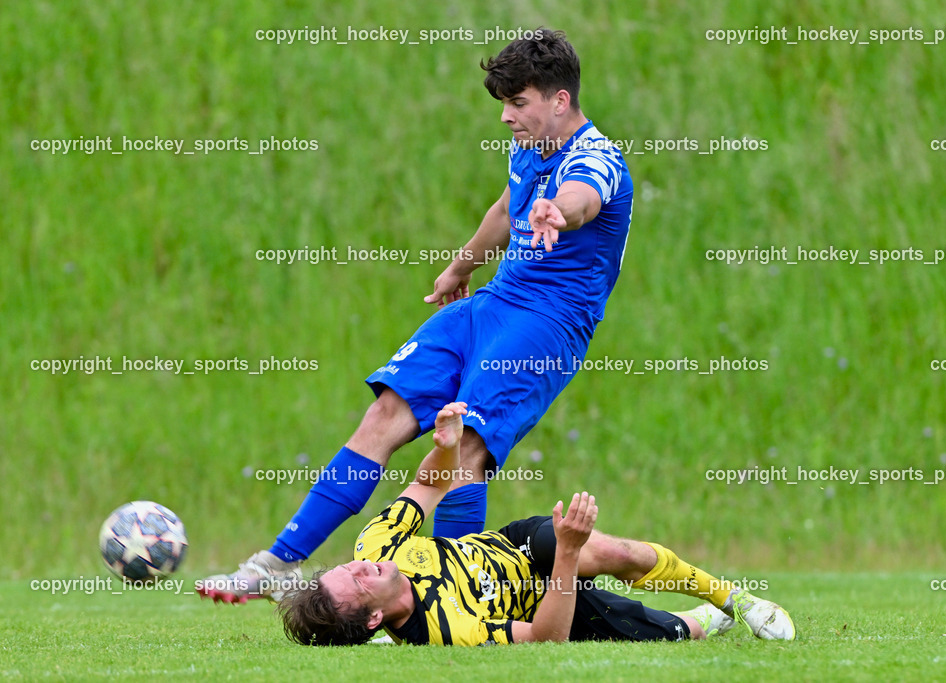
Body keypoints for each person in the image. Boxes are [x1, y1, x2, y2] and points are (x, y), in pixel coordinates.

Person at [199, 28, 633, 603]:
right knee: (384, 414)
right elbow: (507, 207)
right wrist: (460, 268)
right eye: (503, 104)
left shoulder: (598, 160)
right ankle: (280, 564)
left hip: (547, 324)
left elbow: (583, 198)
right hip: (492, 305)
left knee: (465, 446)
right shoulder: (531, 145)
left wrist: (561, 211)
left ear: (560, 100)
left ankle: (452, 598)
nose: (506, 117)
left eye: (518, 103)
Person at [275, 403, 796, 646]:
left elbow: (428, 486)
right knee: (677, 633)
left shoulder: (379, 544)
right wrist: (568, 555)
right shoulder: (447, 631)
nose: (364, 563)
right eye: (359, 580)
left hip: (516, 548)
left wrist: (446, 447)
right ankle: (705, 616)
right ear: (372, 620)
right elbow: (546, 639)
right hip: (551, 606)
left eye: (351, 565)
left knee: (624, 554)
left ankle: (736, 599)